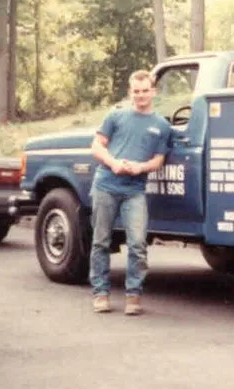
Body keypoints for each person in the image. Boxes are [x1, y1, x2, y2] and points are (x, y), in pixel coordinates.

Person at [89, 69, 171, 315]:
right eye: (136, 91)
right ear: (130, 92)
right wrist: (113, 163)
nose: (141, 96)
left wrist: (140, 167)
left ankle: (133, 295)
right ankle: (100, 293)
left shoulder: (162, 125)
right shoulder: (115, 117)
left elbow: (158, 160)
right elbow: (96, 146)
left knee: (137, 244)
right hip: (106, 185)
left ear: (153, 91)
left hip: (135, 190)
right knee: (101, 241)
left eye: (145, 91)